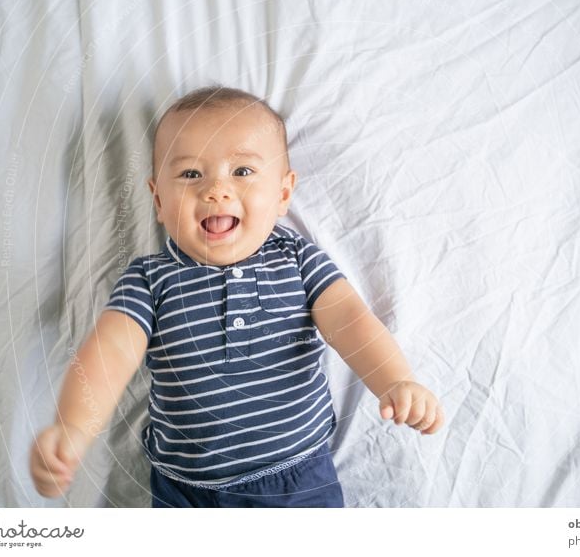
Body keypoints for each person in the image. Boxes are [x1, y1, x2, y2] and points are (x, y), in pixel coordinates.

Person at [30, 86, 444, 507]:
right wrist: (74, 428)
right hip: (187, 492)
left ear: (283, 194)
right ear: (158, 199)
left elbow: (351, 321)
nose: (216, 190)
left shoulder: (297, 261)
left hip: (297, 479)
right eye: (191, 174)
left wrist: (394, 380)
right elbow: (111, 350)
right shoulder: (150, 280)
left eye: (242, 172)